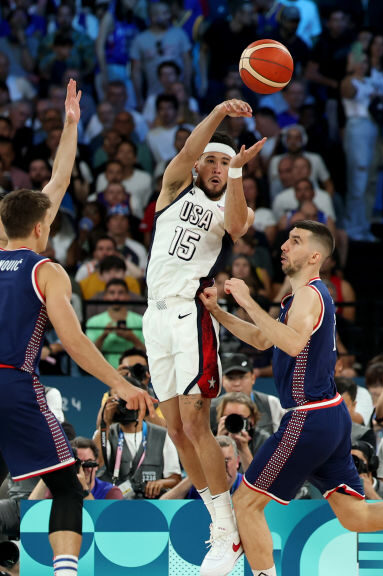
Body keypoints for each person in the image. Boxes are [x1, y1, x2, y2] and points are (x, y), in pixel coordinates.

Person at [201, 221, 383, 576]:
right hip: (328, 416)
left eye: (294, 241)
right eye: (286, 239)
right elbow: (266, 339)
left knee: (246, 504)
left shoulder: (310, 295)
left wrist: (246, 298)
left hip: (308, 417)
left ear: (315, 256)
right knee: (355, 515)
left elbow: (293, 343)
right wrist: (219, 312)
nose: (283, 245)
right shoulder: (304, 298)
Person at [0, 188, 151, 576]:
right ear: (41, 228)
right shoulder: (45, 270)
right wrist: (119, 384)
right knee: (68, 486)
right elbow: (73, 341)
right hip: (9, 381)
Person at [141, 98, 263, 576]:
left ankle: (228, 531)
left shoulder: (236, 203)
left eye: (223, 161)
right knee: (173, 429)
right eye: (210, 160)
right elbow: (190, 148)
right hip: (154, 316)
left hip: (191, 316)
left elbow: (236, 226)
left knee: (196, 421)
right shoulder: (174, 188)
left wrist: (236, 172)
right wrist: (217, 113)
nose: (214, 166)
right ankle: (220, 525)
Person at [95, 378, 182, 498]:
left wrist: (160, 483)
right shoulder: (106, 433)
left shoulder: (161, 435)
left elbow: (175, 479)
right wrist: (105, 424)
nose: (123, 405)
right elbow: (95, 464)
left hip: (151, 504)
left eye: (126, 399)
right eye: (118, 400)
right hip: (115, 505)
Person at [210, 352, 283, 435]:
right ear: (222, 381)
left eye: (242, 377)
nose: (237, 383)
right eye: (231, 378)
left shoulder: (271, 403)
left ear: (253, 378)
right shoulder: (210, 409)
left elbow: (283, 439)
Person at [162, 435, 245, 500]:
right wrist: (195, 475)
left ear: (237, 461)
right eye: (216, 460)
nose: (221, 466)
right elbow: (162, 505)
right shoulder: (199, 485)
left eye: (226, 460)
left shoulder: (246, 485)